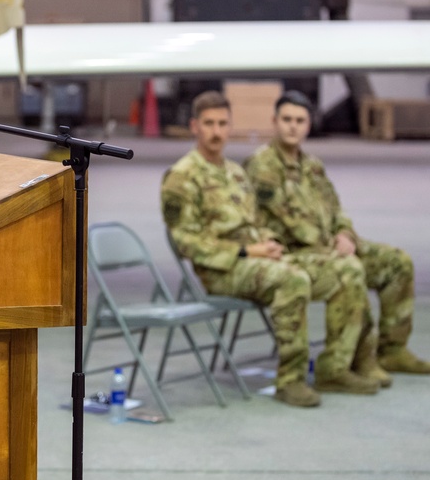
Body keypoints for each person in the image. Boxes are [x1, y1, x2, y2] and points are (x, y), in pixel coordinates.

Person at [161, 91, 381, 408]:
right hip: (222, 270)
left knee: (346, 269)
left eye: (223, 123)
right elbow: (187, 242)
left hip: (257, 261)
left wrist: (268, 243)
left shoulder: (235, 173)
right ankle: (289, 381)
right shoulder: (181, 177)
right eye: (209, 123)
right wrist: (248, 252)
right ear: (195, 127)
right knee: (293, 280)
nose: (216, 131)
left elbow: (254, 221)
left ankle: (334, 368)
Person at [244, 90, 430, 376]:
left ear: (309, 125)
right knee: (349, 269)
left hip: (327, 247)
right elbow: (293, 222)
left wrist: (346, 234)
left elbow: (337, 210)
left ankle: (393, 350)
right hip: (291, 254)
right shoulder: (263, 166)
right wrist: (332, 245)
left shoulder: (313, 166)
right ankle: (350, 361)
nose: (293, 126)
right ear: (274, 121)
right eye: (286, 119)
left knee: (397, 262)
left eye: (300, 120)